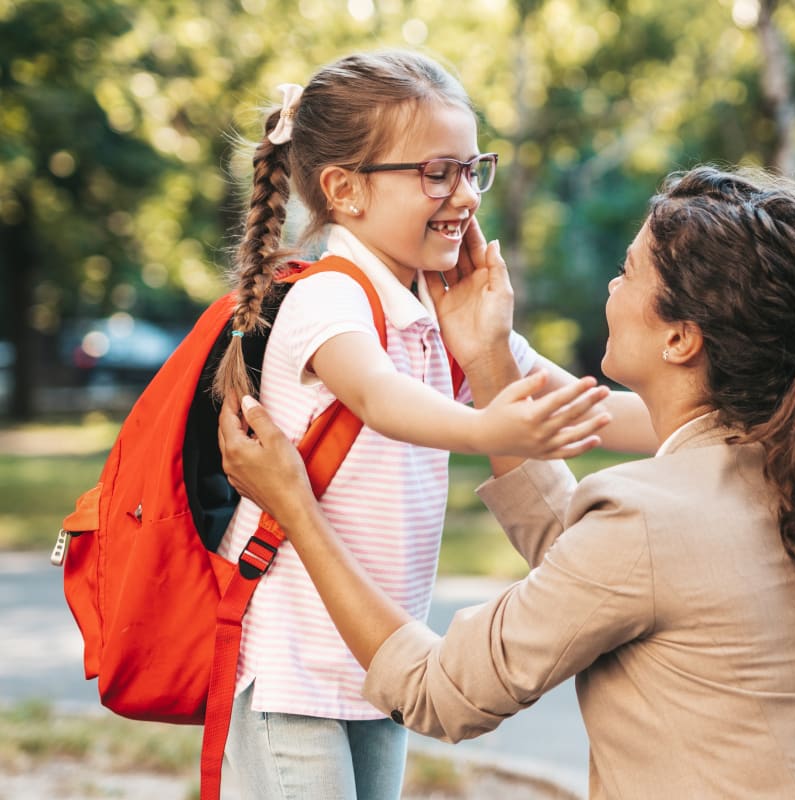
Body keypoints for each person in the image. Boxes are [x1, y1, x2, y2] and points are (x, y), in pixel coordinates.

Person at [219, 166, 795, 798]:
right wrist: (488, 360)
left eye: (629, 271)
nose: (611, 283)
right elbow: (595, 572)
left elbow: (440, 692)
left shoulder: (655, 519)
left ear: (679, 338)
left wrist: (295, 510)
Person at [212, 49, 654, 800]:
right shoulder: (331, 296)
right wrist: (496, 429)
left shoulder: (439, 312)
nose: (464, 196)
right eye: (435, 173)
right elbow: (382, 399)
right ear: (345, 191)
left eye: (471, 168)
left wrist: (749, 414)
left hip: (378, 659)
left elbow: (594, 408)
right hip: (291, 668)